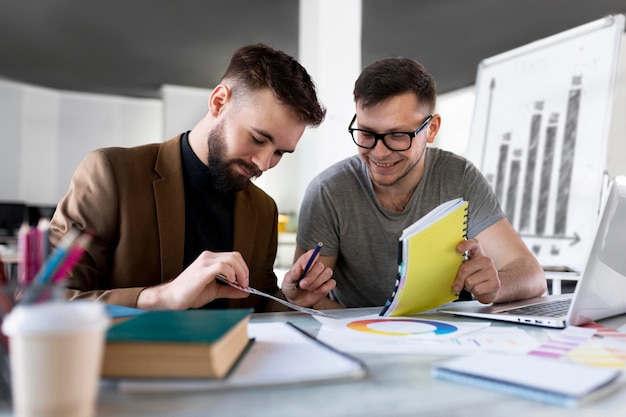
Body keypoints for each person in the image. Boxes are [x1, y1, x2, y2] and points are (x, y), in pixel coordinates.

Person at [49, 43, 335, 312]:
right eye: (258, 138)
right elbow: (46, 302)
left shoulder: (263, 209)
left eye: (280, 153)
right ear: (219, 101)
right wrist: (162, 297)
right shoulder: (111, 173)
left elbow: (255, 312)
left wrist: (289, 300)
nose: (264, 163)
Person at [293, 57, 547, 309]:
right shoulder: (328, 191)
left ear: (432, 129)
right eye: (367, 133)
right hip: (357, 337)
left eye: (398, 135)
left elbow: (532, 276)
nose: (379, 153)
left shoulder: (459, 177)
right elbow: (308, 300)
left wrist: (496, 285)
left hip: (449, 334)